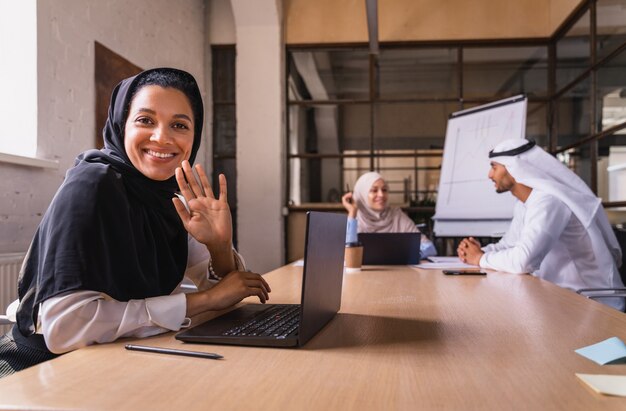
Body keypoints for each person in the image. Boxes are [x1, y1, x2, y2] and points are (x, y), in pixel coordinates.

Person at [0, 68, 271, 378]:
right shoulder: (91, 186)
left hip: (117, 363)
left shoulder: (168, 201)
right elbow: (65, 328)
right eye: (145, 120)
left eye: (179, 125)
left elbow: (229, 298)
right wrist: (203, 300)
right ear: (121, 125)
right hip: (41, 369)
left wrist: (220, 246)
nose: (162, 137)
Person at [457, 138, 624, 310]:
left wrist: (479, 258)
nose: (490, 175)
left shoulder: (550, 201)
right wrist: (478, 251)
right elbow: (509, 245)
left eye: (494, 167)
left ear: (513, 167)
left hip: (591, 304)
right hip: (559, 297)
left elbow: (524, 261)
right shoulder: (525, 203)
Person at [341, 171, 437, 259]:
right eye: (374, 190)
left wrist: (408, 255)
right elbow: (346, 253)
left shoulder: (396, 216)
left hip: (397, 275)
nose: (381, 195)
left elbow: (429, 247)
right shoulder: (354, 219)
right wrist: (352, 212)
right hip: (361, 276)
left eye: (384, 190)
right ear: (361, 195)